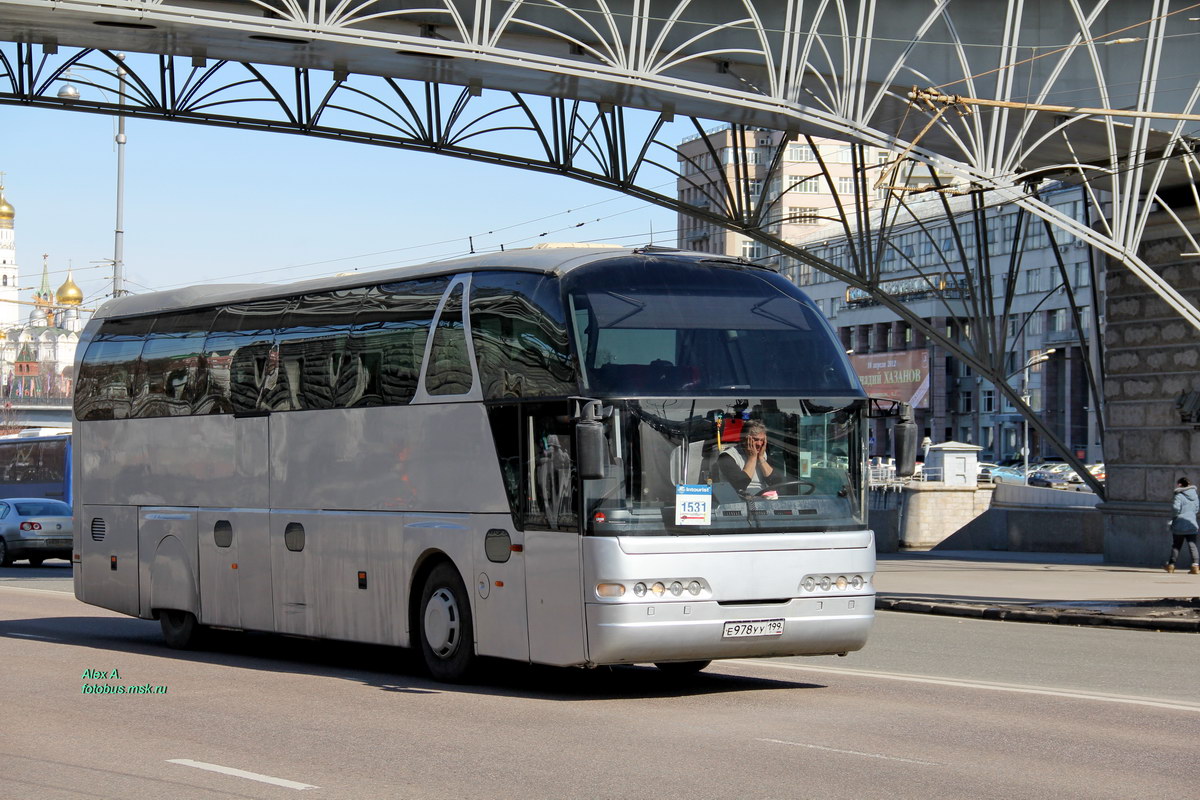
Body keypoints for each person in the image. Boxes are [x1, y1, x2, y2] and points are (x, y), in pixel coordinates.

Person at [718, 420, 783, 497]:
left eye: (762, 440)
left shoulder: (763, 455)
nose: (759, 444)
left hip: (762, 498)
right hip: (739, 500)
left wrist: (761, 459)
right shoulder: (727, 456)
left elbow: (777, 483)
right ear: (744, 439)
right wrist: (752, 458)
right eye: (755, 440)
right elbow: (740, 484)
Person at [1165, 477, 1199, 574]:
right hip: (1192, 523)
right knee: (1192, 545)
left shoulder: (1178, 495)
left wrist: (1174, 516)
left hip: (1179, 523)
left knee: (1176, 545)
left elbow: (1175, 508)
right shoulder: (1195, 496)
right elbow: (1197, 509)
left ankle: (1171, 565)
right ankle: (1195, 566)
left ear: (1179, 484)